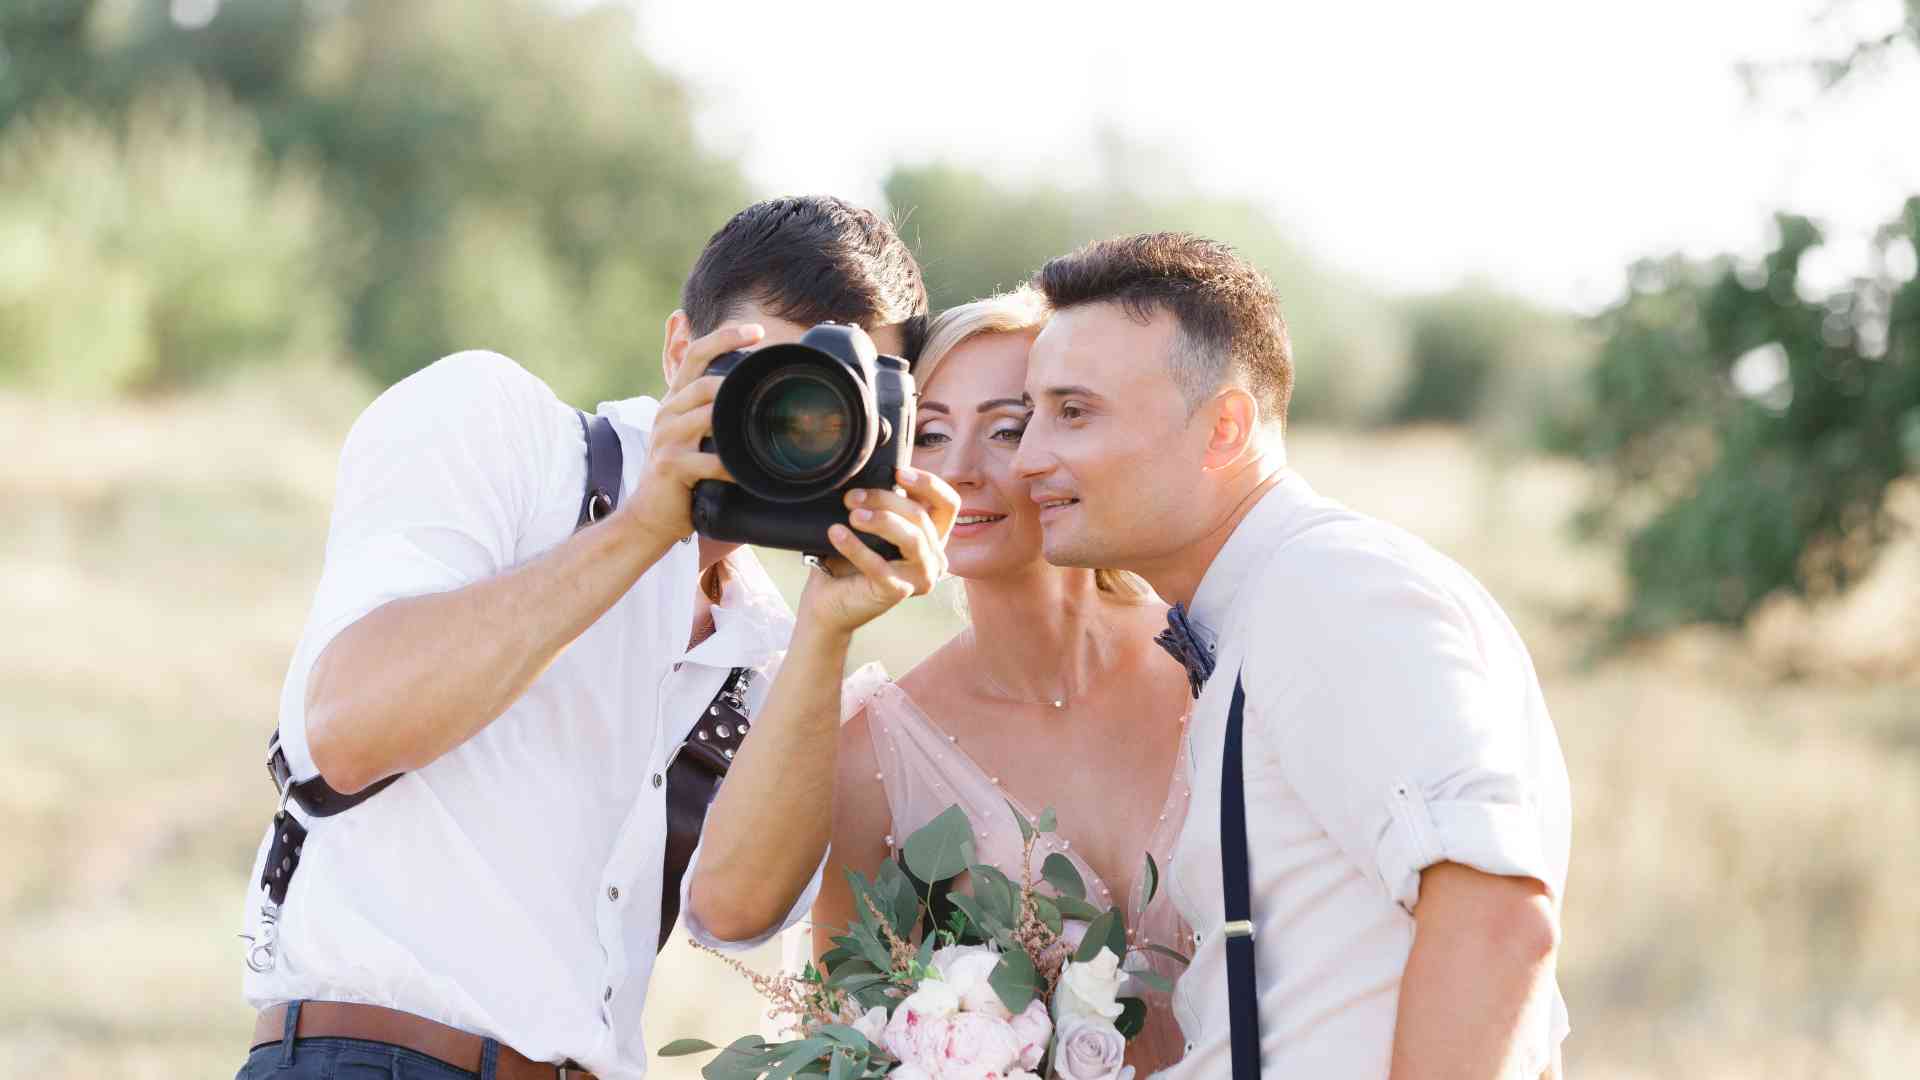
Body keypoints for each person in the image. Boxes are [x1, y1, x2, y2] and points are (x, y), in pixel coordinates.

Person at [233, 195, 959, 1080]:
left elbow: (735, 915)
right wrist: (643, 530)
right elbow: (342, 734)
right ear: (675, 349)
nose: (793, 419)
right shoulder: (500, 427)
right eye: (762, 369)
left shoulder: (772, 637)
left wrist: (827, 628)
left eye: (832, 402)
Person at [1012, 233, 1572, 1079]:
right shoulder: (1266, 606)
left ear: (1224, 427)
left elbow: (1496, 919)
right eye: (1032, 415)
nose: (1028, 460)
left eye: (1074, 412)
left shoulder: (1333, 590)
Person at [807, 288, 1197, 1074]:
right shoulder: (874, 752)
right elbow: (838, 1037)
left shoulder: (1213, 659)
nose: (958, 472)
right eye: (933, 433)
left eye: (1008, 428)